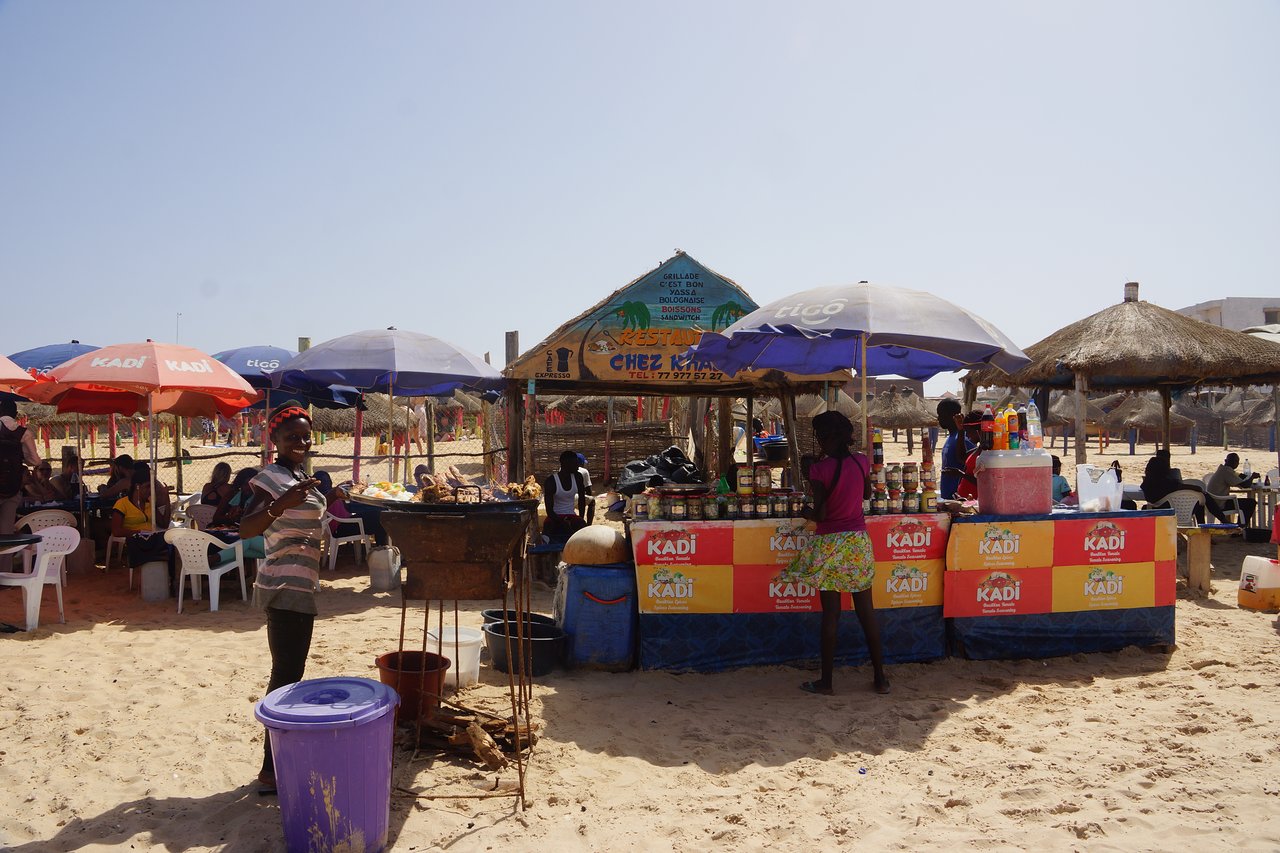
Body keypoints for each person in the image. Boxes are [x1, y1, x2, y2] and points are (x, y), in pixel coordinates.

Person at [240, 404, 326, 796]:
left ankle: (274, 765)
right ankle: (271, 769)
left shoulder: (298, 475)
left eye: (306, 436)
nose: (301, 443)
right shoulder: (270, 478)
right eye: (292, 437)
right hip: (284, 583)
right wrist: (281, 505)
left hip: (301, 581)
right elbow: (246, 529)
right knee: (286, 677)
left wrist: (330, 496)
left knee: (290, 673)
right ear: (274, 439)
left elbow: (302, 517)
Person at [787, 410, 888, 696]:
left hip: (829, 543)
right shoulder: (861, 461)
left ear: (824, 438)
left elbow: (820, 514)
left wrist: (806, 511)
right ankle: (881, 679)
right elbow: (866, 495)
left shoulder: (819, 470)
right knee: (866, 612)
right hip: (857, 542)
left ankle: (826, 682)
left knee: (831, 615)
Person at [0, 399, 43, 571]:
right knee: (6, 534)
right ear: (16, 414)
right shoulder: (24, 433)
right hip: (12, 489)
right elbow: (35, 461)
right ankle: (4, 575)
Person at [1140, 450, 1232, 524]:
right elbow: (1180, 486)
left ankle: (1216, 521)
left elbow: (1150, 499)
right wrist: (1197, 489)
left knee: (1200, 499)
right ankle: (1209, 523)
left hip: (1160, 510)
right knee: (1202, 499)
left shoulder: (1148, 483)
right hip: (1176, 511)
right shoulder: (1167, 483)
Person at [542, 449, 589, 542]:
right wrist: (563, 523)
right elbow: (549, 511)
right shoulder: (551, 481)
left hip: (571, 515)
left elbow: (582, 500)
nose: (578, 466)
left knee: (583, 532)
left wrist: (581, 518)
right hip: (554, 516)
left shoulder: (578, 477)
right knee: (547, 532)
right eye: (575, 463)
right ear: (566, 464)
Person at [1205, 452, 1258, 526]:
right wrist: (1252, 477)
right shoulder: (1226, 471)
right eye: (1233, 461)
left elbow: (1237, 479)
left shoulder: (1223, 469)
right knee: (1250, 503)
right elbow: (1245, 485)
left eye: (1236, 461)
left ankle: (1241, 525)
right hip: (1219, 503)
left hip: (1214, 501)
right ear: (1226, 461)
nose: (1235, 463)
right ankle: (1241, 525)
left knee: (1246, 503)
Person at [937, 399, 974, 500]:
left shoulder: (964, 439)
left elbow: (972, 470)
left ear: (952, 415)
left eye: (941, 414)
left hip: (959, 500)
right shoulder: (951, 437)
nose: (939, 418)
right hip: (948, 500)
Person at [954, 411, 985, 502]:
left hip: (976, 503)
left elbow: (984, 481)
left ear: (977, 430)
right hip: (967, 501)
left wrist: (961, 474)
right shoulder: (979, 448)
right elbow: (962, 457)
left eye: (968, 431)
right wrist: (960, 431)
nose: (967, 435)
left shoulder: (988, 451)